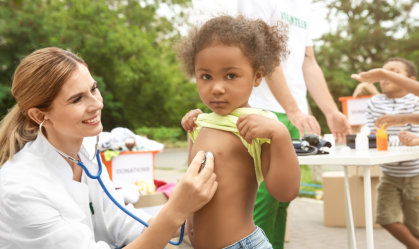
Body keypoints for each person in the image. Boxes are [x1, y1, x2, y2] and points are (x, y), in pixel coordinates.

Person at [0, 47, 218, 249]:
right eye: (77, 99)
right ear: (40, 116)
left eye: (93, 89)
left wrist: (188, 207)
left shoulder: (85, 152)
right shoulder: (19, 188)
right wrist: (176, 210)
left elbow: (122, 225)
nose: (97, 104)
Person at [176, 15, 300, 249]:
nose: (217, 88)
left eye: (231, 76)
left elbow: (286, 192)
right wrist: (191, 130)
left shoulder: (260, 125)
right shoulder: (202, 123)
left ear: (257, 76)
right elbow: (194, 177)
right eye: (206, 76)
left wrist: (281, 136)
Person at [235, 1, 351, 248]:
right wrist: (293, 110)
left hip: (291, 113)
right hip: (261, 108)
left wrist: (330, 112)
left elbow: (309, 63)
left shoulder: (303, 6)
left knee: (282, 198)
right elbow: (262, 53)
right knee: (262, 200)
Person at [363, 57, 419, 249]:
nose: (385, 77)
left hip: (415, 173)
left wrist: (413, 139)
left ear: (411, 79)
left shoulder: (416, 100)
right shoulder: (374, 103)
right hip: (389, 173)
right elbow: (375, 135)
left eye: (394, 72)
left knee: (416, 226)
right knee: (385, 217)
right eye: (384, 72)